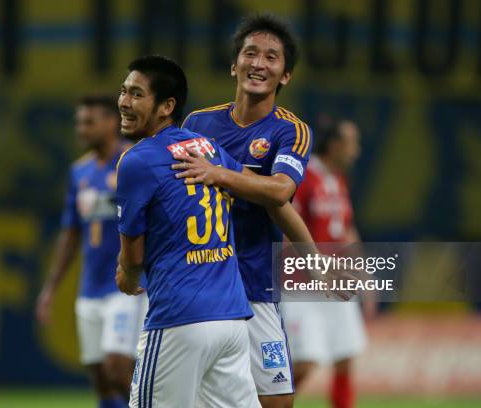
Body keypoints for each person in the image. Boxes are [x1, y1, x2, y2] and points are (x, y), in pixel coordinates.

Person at [177, 13, 311, 408]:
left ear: (285, 75)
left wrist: (218, 172)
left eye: (272, 57)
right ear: (234, 64)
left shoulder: (290, 130)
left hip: (255, 286)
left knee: (278, 403)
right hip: (201, 284)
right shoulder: (197, 124)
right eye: (250, 54)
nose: (258, 63)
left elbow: (279, 192)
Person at [114, 55, 260, 408]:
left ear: (167, 106)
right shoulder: (207, 149)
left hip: (180, 319)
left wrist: (128, 277)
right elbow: (252, 183)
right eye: (123, 91)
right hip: (232, 319)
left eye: (136, 94)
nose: (123, 102)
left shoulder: (137, 160)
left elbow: (133, 257)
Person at [36, 95, 147, 408]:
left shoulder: (133, 161)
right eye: (79, 122)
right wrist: (50, 288)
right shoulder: (79, 172)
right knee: (100, 376)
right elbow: (70, 234)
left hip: (125, 286)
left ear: (112, 121)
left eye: (89, 121)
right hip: (90, 287)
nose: (81, 129)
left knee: (117, 367)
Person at [282, 116, 376, 408]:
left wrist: (364, 276)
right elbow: (287, 229)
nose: (356, 151)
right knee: (305, 363)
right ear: (334, 145)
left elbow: (346, 229)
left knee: (346, 356)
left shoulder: (337, 180)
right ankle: (268, 403)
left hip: (335, 285)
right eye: (351, 143)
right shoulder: (304, 178)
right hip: (302, 288)